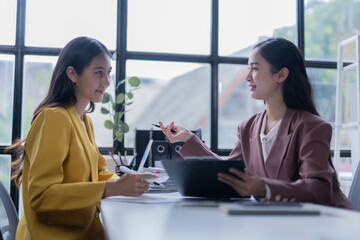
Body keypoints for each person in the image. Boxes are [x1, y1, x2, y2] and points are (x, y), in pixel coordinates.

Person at [159, 37, 353, 210]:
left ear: (281, 75)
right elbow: (230, 175)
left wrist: (264, 188)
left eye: (255, 68)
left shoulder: (312, 127)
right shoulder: (247, 127)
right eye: (248, 68)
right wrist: (189, 140)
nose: (247, 77)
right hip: (280, 224)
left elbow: (319, 189)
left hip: (328, 225)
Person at [7, 37, 157, 240]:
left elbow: (98, 171)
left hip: (84, 232)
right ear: (72, 74)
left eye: (108, 73)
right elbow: (41, 196)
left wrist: (133, 184)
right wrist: (112, 188)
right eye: (98, 73)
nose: (106, 82)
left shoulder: (84, 121)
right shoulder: (53, 118)